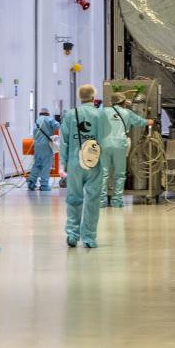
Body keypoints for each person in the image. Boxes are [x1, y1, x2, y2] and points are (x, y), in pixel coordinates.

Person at [61, 85, 111, 248]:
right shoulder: (100, 114)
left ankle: (72, 234)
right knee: (92, 199)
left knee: (74, 198)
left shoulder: (70, 114)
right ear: (93, 96)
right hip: (94, 161)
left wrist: (64, 163)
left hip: (75, 162)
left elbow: (64, 141)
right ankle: (89, 238)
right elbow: (105, 135)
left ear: (79, 96)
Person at [101, 92, 153, 207]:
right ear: (124, 102)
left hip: (104, 144)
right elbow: (140, 122)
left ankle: (101, 201)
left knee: (104, 174)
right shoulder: (127, 113)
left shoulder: (103, 111)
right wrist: (150, 121)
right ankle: (117, 201)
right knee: (119, 174)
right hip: (120, 144)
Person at [28, 106, 60, 191]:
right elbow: (57, 126)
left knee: (37, 164)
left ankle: (31, 182)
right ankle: (44, 185)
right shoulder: (49, 119)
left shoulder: (37, 121)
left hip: (37, 145)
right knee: (46, 165)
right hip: (46, 146)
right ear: (48, 113)